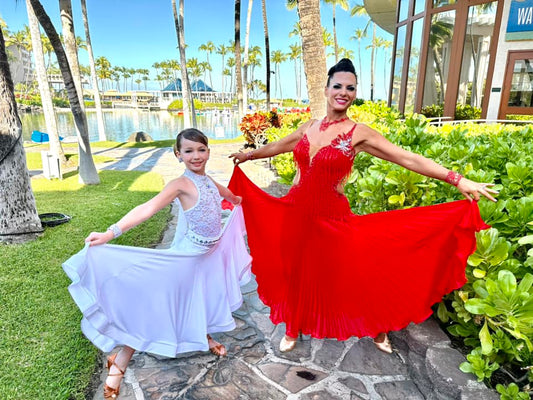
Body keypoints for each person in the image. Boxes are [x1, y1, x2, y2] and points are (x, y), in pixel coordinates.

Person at [228, 58, 497, 354]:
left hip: (333, 216)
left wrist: (457, 179)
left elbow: (406, 158)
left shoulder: (359, 133)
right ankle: (293, 325)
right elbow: (278, 145)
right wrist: (249, 156)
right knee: (297, 270)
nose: (344, 92)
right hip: (296, 212)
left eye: (350, 88)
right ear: (327, 89)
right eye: (338, 86)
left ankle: (377, 326)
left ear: (354, 94)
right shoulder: (309, 127)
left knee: (356, 274)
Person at [63, 128, 251, 399]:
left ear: (208, 151)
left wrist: (236, 200)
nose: (196, 156)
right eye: (188, 151)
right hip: (185, 260)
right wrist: (110, 233)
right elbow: (147, 209)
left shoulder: (208, 180)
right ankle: (119, 361)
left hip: (208, 257)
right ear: (178, 155)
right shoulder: (180, 185)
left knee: (205, 296)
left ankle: (204, 336)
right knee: (155, 309)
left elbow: (228, 196)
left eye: (201, 150)